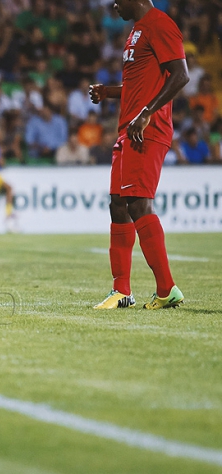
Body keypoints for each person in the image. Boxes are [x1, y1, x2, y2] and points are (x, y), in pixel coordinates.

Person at [89, 0, 189, 310]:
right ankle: (121, 292)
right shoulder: (136, 31)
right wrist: (110, 91)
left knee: (138, 203)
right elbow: (140, 83)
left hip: (147, 129)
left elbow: (180, 74)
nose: (114, 5)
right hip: (128, 129)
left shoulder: (160, 24)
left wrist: (147, 112)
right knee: (118, 204)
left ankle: (167, 288)